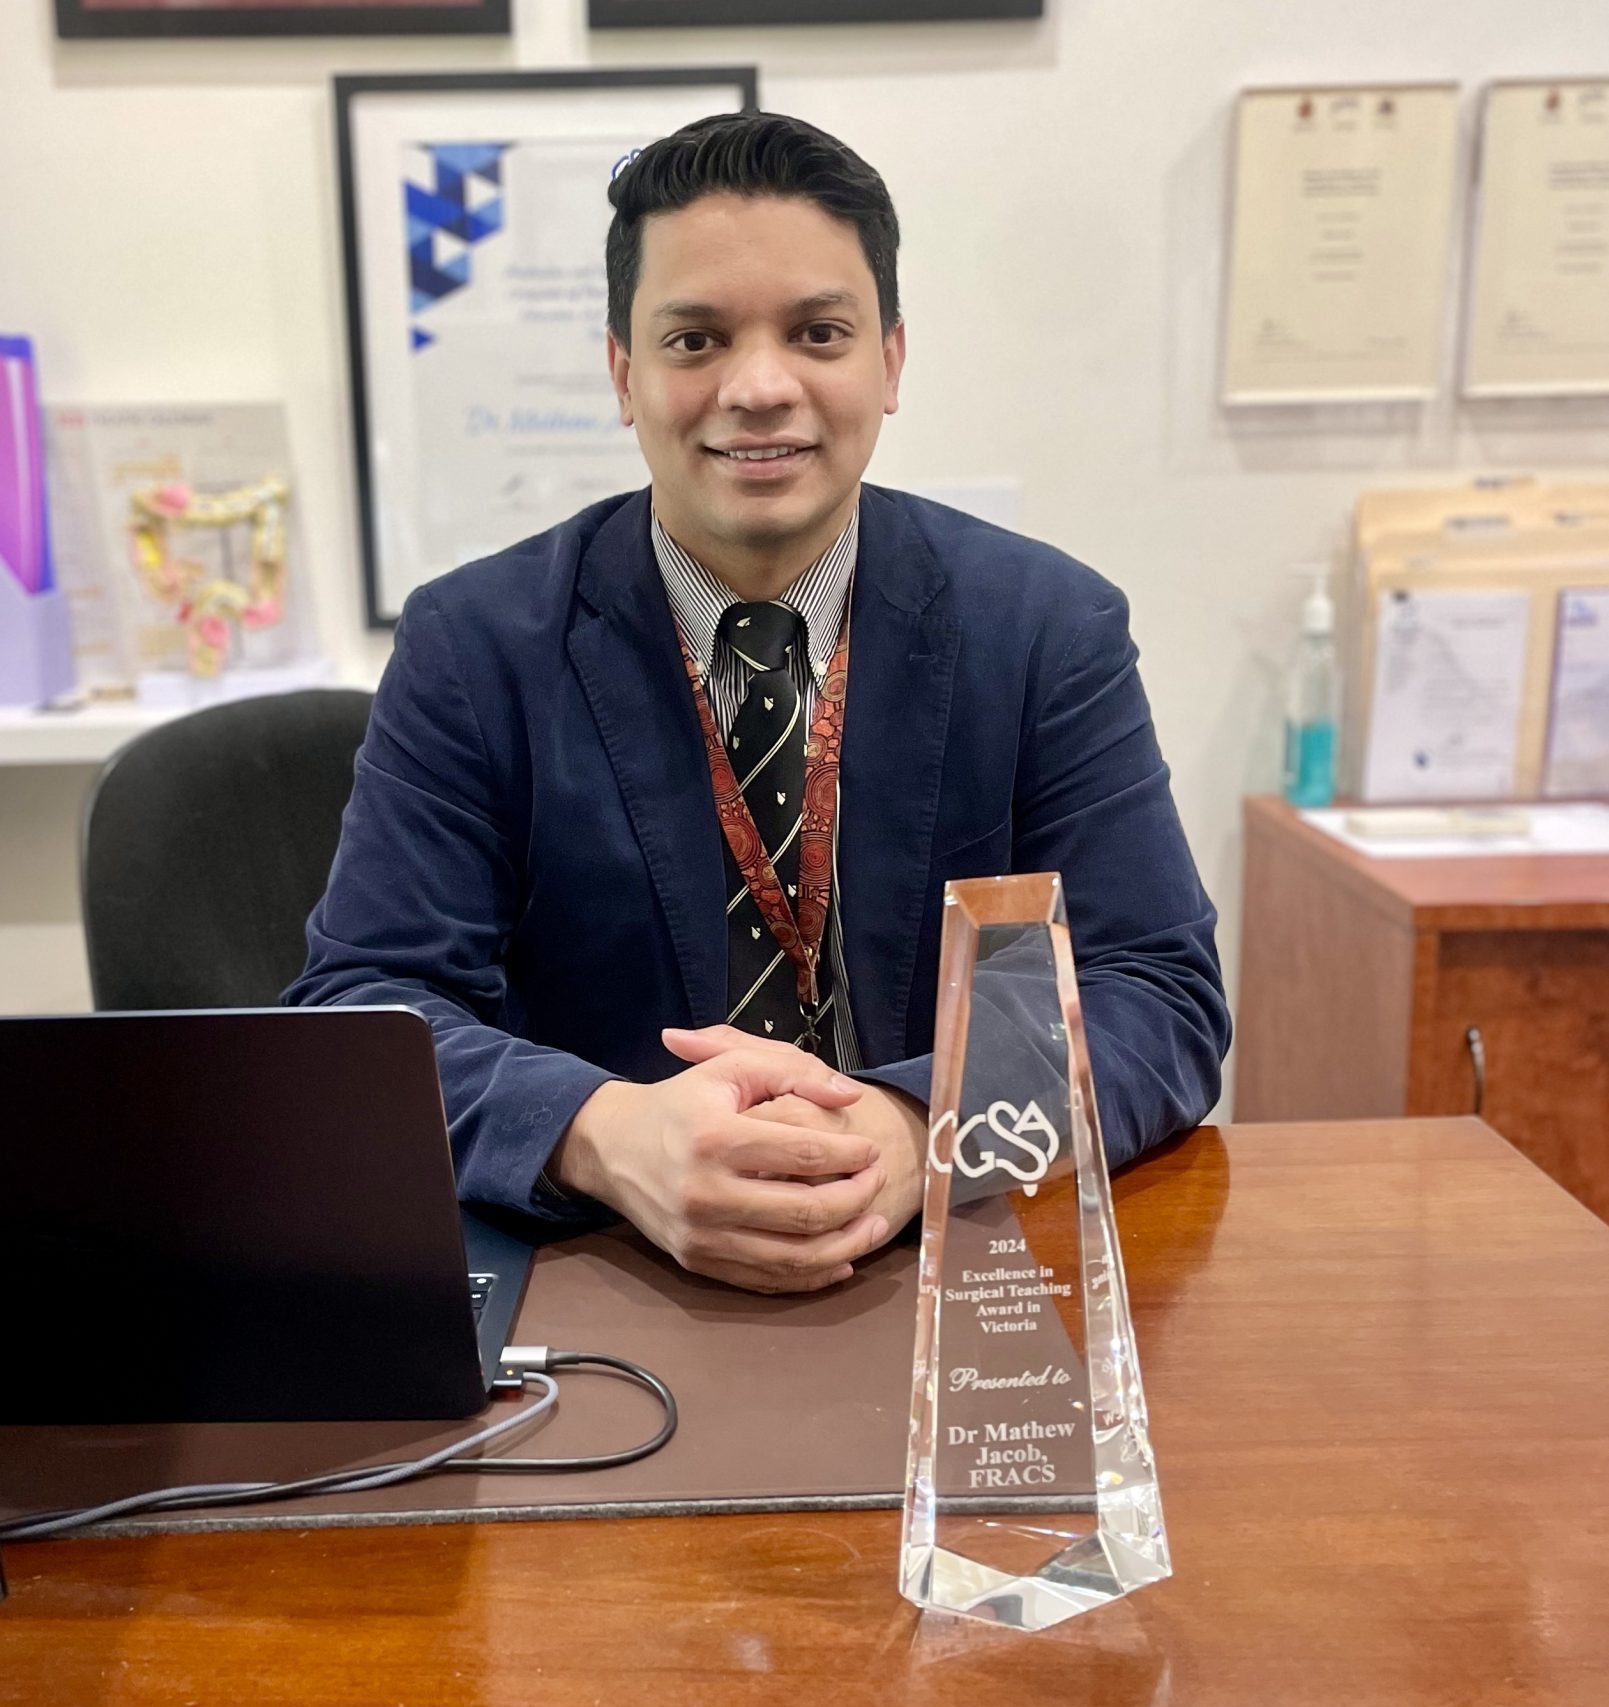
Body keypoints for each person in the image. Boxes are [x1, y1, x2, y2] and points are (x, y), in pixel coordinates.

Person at [286, 110, 1229, 1295]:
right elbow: (365, 1009)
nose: (761, 386)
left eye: (818, 332)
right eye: (695, 339)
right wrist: (605, 1135)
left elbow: (1155, 992)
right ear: (624, 376)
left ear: (889, 362)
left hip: (943, 1267)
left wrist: (912, 1129)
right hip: (603, 1273)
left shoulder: (1044, 630)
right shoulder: (473, 647)